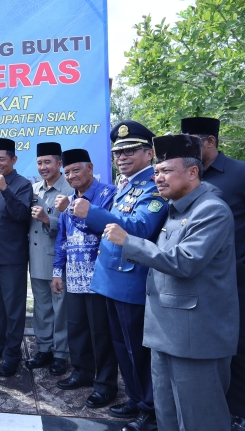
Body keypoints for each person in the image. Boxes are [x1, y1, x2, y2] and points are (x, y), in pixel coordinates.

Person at [105, 134, 239, 431]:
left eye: (166, 171)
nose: (158, 177)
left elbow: (184, 261)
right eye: (157, 171)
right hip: (165, 333)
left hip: (195, 338)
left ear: (192, 172)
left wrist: (130, 242)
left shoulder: (211, 210)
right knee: (167, 414)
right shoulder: (176, 208)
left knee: (199, 419)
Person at [76, 121, 167, 430]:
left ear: (149, 153)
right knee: (121, 345)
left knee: (136, 349)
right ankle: (135, 397)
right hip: (111, 278)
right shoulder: (126, 184)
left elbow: (141, 229)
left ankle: (150, 408)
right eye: (118, 152)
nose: (123, 157)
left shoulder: (154, 186)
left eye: (130, 151)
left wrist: (92, 211)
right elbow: (110, 228)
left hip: (132, 280)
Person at [180, 117, 245, 430]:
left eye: (192, 140)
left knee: (237, 346)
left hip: (234, 279)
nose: (187, 147)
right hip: (190, 278)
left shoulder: (239, 174)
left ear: (209, 141)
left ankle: (237, 412)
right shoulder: (185, 176)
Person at [52, 149, 118, 409]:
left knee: (101, 332)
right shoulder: (69, 199)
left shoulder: (108, 194)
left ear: (90, 167)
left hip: (101, 275)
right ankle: (81, 372)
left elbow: (105, 228)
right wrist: (58, 271)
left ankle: (105, 385)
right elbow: (62, 239)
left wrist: (71, 210)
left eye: (76, 170)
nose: (71, 176)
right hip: (75, 275)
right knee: (77, 327)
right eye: (67, 172)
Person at [0, 138, 32, 377]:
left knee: (14, 308)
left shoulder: (22, 184)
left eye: (2, 159)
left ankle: (13, 354)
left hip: (13, 256)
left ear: (14, 160)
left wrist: (5, 188)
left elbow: (22, 215)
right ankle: (2, 344)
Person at [26, 142, 72, 377]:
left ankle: (61, 354)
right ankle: (43, 349)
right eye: (39, 163)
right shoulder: (34, 189)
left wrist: (47, 219)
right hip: (35, 260)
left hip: (58, 261)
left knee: (60, 308)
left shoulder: (70, 190)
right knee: (41, 307)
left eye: (48, 162)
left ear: (59, 164)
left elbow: (73, 227)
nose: (43, 167)